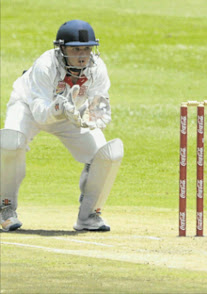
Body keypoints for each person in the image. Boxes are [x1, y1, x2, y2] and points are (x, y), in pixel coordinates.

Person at [0, 20, 124, 232]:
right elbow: (40, 112)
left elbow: (100, 105)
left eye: (87, 48)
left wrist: (89, 118)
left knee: (107, 155)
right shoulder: (45, 65)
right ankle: (5, 209)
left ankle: (89, 216)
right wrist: (58, 109)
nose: (82, 54)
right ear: (62, 48)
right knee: (11, 142)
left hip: (71, 114)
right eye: (75, 49)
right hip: (29, 108)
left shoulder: (97, 68)